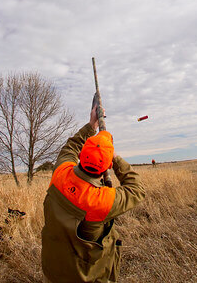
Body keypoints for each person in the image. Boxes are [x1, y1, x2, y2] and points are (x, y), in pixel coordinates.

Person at [41, 105, 145, 283]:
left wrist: (91, 125)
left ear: (82, 155)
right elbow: (137, 189)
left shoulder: (60, 174)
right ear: (107, 166)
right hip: (83, 277)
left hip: (53, 270)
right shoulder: (101, 201)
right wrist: (115, 158)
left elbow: (71, 146)